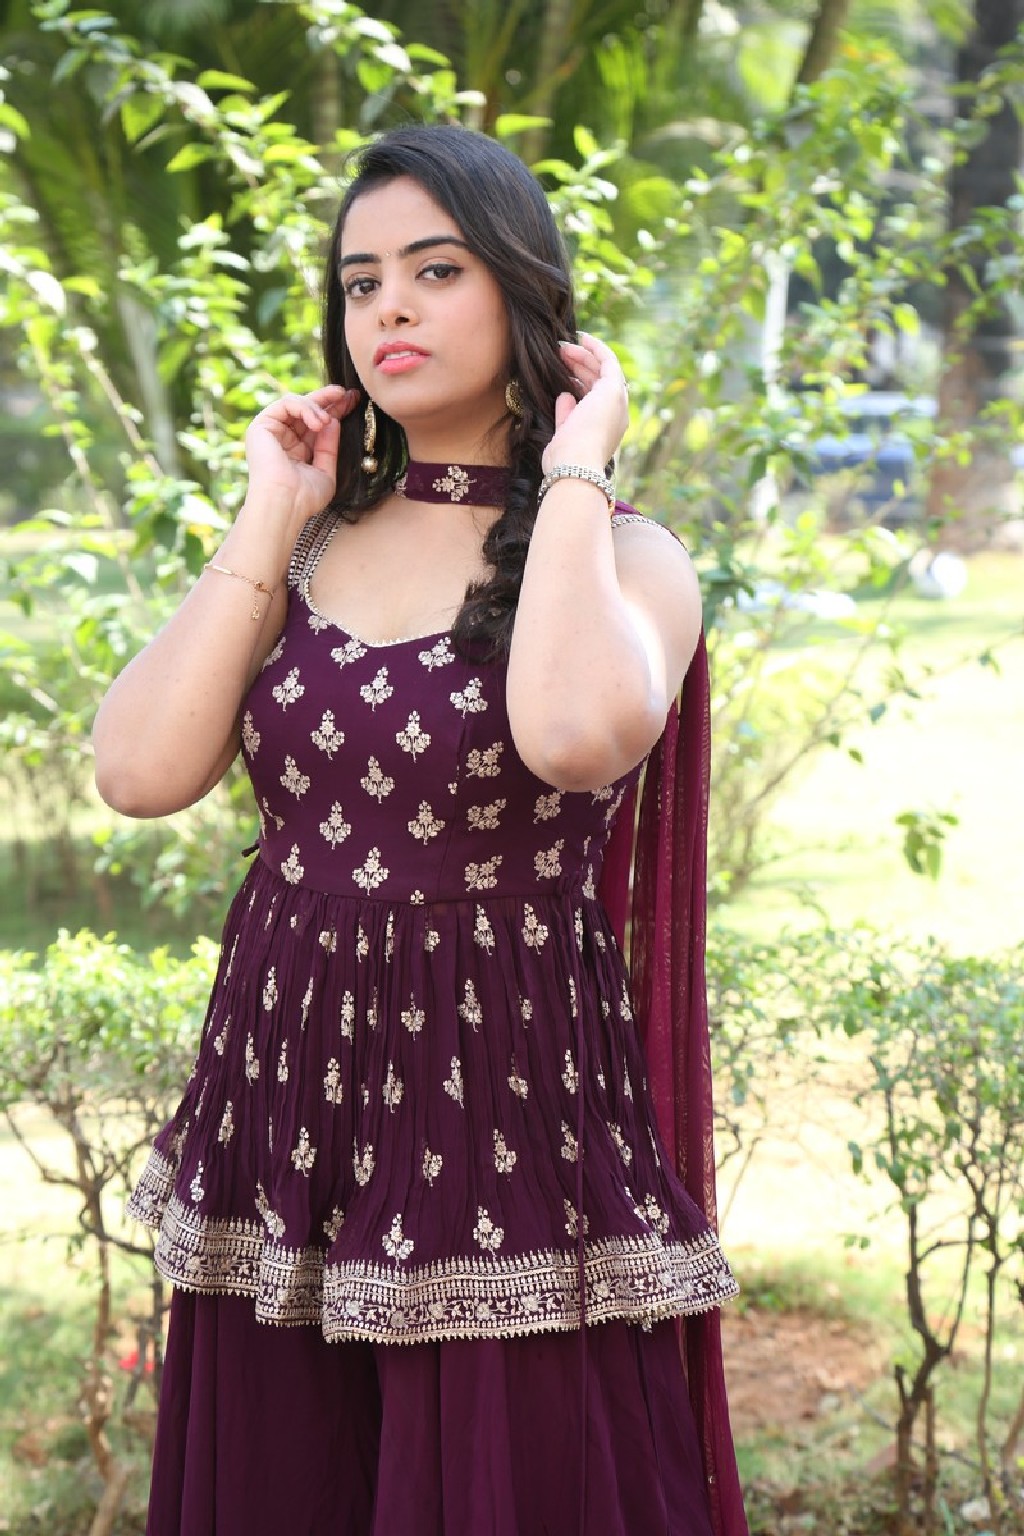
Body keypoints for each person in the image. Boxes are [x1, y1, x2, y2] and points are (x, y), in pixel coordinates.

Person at [93, 123, 747, 1536]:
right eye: (361, 280)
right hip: (287, 1090)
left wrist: (572, 469)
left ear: (523, 290)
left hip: (500, 1094)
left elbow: (572, 736)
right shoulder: (312, 542)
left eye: (436, 270)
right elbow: (139, 772)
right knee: (287, 1480)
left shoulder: (629, 556)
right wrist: (271, 508)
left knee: (507, 1485)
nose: (388, 304)